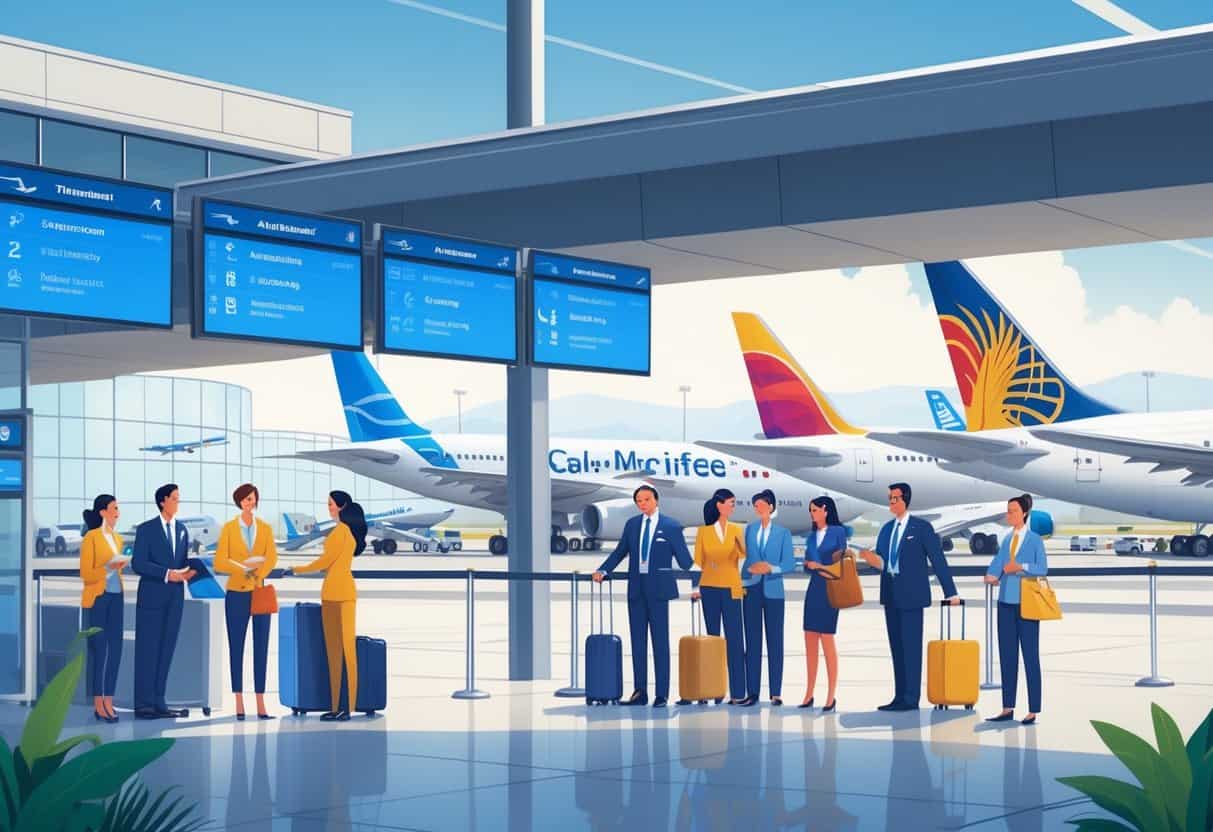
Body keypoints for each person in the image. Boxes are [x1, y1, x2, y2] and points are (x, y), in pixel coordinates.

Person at [857, 482, 958, 711]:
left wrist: (950, 591)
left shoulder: (921, 528)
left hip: (912, 596)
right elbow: (884, 562)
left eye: (895, 498)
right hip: (891, 595)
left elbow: (938, 560)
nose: (891, 502)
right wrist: (870, 559)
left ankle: (911, 698)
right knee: (897, 648)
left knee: (911, 648)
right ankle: (899, 696)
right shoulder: (885, 530)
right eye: (889, 499)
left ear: (905, 500)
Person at [592, 485, 694, 708]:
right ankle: (640, 693)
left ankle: (662, 694)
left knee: (660, 643)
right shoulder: (632, 525)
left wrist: (699, 580)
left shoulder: (671, 526)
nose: (642, 503)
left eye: (646, 499)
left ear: (656, 500)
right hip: (637, 591)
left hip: (659, 592)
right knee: (638, 643)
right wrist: (603, 569)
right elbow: (620, 552)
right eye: (638, 500)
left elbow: (686, 560)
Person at [289, 491, 366, 721]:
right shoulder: (346, 533)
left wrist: (296, 570)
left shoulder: (340, 533)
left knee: (340, 653)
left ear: (341, 507)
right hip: (337, 593)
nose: (329, 508)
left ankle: (344, 707)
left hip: (337, 594)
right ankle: (340, 706)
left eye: (331, 504)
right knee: (341, 653)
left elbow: (324, 562)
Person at [131, 483, 195, 720]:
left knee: (166, 650)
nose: (178, 503)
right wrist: (168, 573)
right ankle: (143, 704)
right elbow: (138, 563)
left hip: (175, 598)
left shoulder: (182, 530)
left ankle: (159, 701)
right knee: (148, 650)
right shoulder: (146, 529)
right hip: (151, 597)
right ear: (163, 501)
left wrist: (191, 571)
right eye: (175, 499)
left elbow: (182, 560)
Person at [215, 483, 278, 721]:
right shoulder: (229, 528)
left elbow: (271, 557)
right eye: (245, 499)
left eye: (252, 499)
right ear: (239, 502)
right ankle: (239, 701)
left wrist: (258, 573)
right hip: (236, 594)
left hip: (259, 591)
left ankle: (261, 703)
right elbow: (220, 561)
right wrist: (243, 568)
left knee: (261, 648)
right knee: (236, 647)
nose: (249, 503)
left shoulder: (265, 528)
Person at [984, 494, 1047, 725]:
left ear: (1024, 513)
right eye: (1008, 511)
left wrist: (1021, 567)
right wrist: (991, 574)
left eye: (1012, 511)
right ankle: (1007, 707)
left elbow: (1042, 568)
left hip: (1027, 604)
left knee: (1030, 656)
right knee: (1007, 656)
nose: (1008, 515)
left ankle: (1033, 709)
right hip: (1005, 604)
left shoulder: (1034, 540)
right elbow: (999, 562)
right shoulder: (1007, 539)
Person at [689, 489, 747, 705]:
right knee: (712, 640)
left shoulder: (736, 529)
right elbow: (698, 561)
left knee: (734, 639)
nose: (733, 506)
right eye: (731, 503)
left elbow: (743, 555)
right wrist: (696, 587)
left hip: (731, 587)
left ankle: (738, 691)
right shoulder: (703, 532)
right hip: (709, 588)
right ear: (719, 505)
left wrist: (740, 543)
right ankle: (713, 689)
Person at [741, 489, 795, 706]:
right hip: (751, 591)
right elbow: (745, 561)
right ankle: (752, 692)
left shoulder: (783, 533)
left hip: (774, 592)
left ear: (771, 507)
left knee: (775, 642)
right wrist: (743, 580)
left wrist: (771, 569)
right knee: (752, 642)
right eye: (755, 506)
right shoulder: (749, 530)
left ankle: (775, 692)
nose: (758, 509)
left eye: (761, 505)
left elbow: (790, 564)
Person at [79, 494, 126, 723]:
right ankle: (99, 703)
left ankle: (109, 699)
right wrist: (108, 567)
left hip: (117, 597)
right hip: (99, 598)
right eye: (114, 508)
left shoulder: (117, 539)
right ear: (103, 512)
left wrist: (117, 566)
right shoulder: (91, 538)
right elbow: (86, 574)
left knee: (116, 650)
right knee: (101, 652)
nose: (118, 512)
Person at [800, 495, 848, 712]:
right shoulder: (810, 537)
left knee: (827, 641)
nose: (812, 513)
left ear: (826, 510)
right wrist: (810, 566)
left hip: (830, 590)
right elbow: (806, 565)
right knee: (809, 642)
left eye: (815, 510)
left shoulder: (838, 533)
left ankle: (831, 696)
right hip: (813, 590)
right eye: (811, 510)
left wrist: (818, 566)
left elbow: (841, 567)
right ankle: (809, 694)